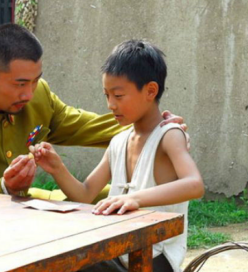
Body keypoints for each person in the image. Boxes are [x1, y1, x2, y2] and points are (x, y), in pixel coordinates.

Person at [0, 23, 185, 203]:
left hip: (22, 208)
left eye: (35, 80)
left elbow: (83, 126)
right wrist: (6, 187)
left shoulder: (38, 95)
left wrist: (154, 129)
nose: (29, 94)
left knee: (123, 196)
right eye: (20, 84)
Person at [30, 39, 204, 272]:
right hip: (120, 252)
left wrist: (135, 198)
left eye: (119, 96)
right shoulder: (119, 142)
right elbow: (84, 194)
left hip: (155, 258)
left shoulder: (169, 135)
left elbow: (194, 185)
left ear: (150, 91)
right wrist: (57, 168)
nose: (111, 104)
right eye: (107, 95)